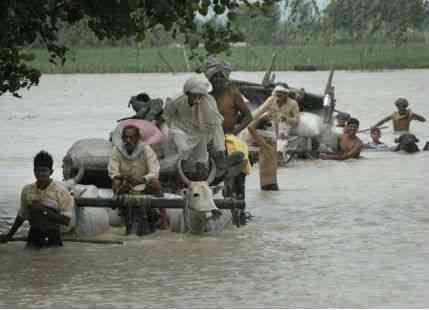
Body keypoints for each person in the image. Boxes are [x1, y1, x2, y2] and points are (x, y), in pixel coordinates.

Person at [0, 151, 74, 248]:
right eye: (37, 170)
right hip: (34, 235)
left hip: (53, 236)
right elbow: (22, 215)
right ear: (34, 171)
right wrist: (9, 235)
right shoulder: (27, 190)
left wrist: (43, 210)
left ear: (51, 172)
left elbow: (66, 220)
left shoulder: (61, 191)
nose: (40, 174)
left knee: (54, 261)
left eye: (44, 170)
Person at [163, 76, 226, 179]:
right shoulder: (174, 99)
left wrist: (220, 148)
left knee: (202, 158)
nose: (197, 100)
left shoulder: (208, 101)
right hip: (179, 129)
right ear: (187, 93)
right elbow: (167, 117)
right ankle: (179, 173)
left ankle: (202, 176)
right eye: (194, 96)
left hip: (198, 130)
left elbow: (215, 124)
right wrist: (172, 129)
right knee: (183, 149)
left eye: (200, 96)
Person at [108, 124, 168, 228]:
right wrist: (121, 178)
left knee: (156, 183)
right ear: (122, 138)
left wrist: (142, 179)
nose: (128, 140)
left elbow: (154, 171)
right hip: (125, 184)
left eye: (131, 137)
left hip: (144, 184)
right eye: (125, 137)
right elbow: (113, 171)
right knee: (115, 182)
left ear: (137, 138)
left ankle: (163, 218)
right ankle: (120, 209)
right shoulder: (116, 150)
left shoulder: (146, 149)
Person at [205, 57, 253, 135]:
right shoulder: (206, 97)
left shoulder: (233, 94)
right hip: (210, 138)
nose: (218, 79)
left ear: (225, 79)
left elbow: (248, 117)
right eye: (215, 76)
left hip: (228, 137)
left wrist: (235, 132)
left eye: (221, 76)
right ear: (210, 78)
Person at [247, 121, 279, 191]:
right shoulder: (270, 147)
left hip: (269, 186)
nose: (254, 140)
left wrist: (264, 112)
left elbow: (250, 128)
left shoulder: (267, 147)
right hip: (270, 185)